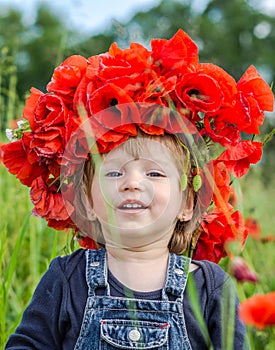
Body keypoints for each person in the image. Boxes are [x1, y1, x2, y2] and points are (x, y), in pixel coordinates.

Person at [3, 29, 273, 349]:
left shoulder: (209, 285)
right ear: (88, 201)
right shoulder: (66, 277)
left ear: (187, 203)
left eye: (155, 174)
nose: (132, 183)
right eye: (114, 172)